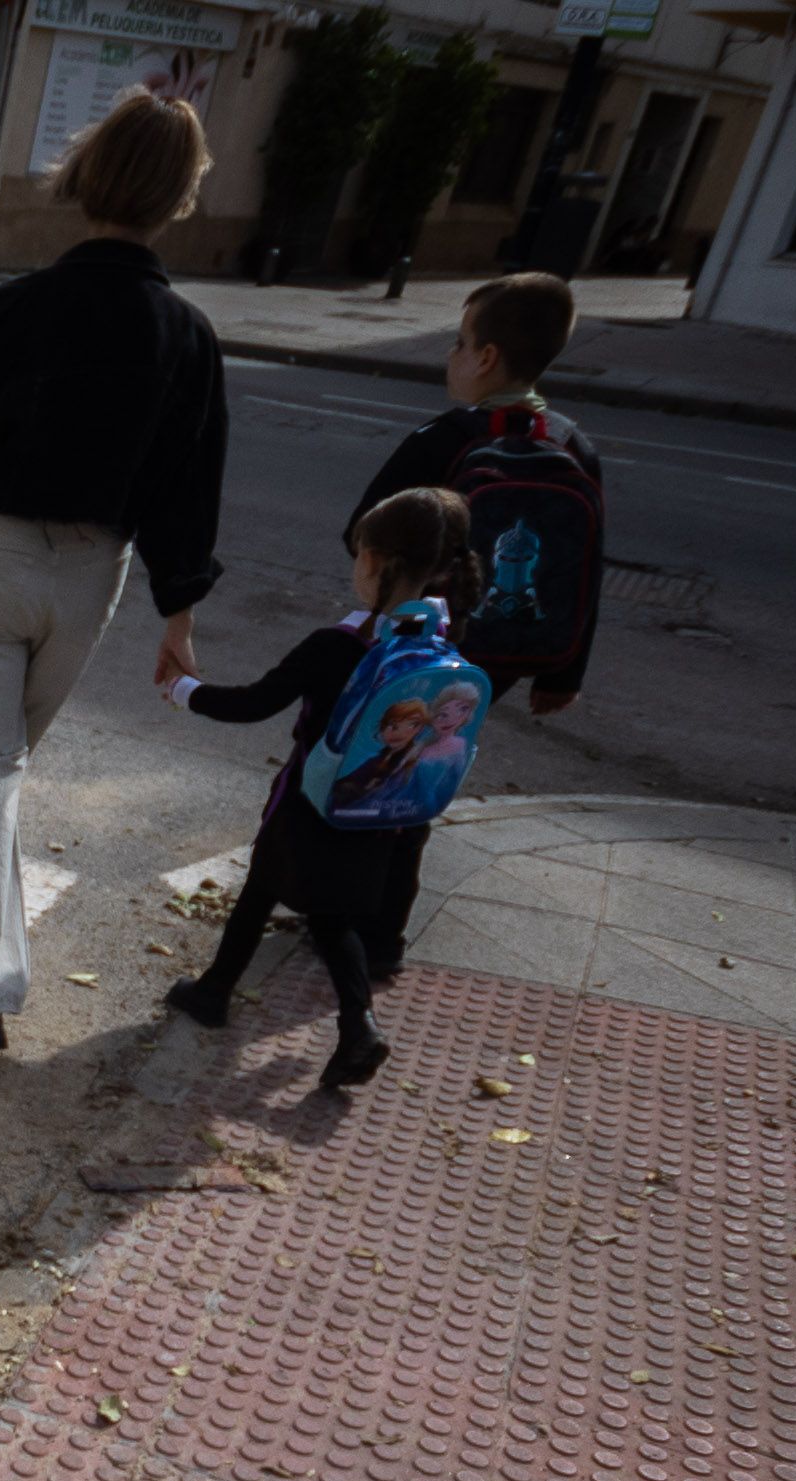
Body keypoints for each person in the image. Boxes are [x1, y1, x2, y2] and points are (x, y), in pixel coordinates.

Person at [0, 89, 228, 1056]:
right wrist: (180, 611)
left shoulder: (15, 310)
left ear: (87, 176)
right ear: (178, 195)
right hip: (91, 577)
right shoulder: (187, 335)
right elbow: (190, 481)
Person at [155, 488, 483, 1090]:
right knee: (329, 915)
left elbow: (253, 704)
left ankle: (227, 994)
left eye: (360, 555)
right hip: (381, 808)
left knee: (266, 886)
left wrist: (183, 691)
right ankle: (347, 1021)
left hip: (312, 798)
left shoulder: (336, 645)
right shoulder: (441, 639)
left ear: (376, 562)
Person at [343, 272, 602, 979]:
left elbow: (362, 530)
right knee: (429, 766)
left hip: (421, 642)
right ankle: (383, 933)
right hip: (508, 653)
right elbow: (586, 565)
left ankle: (362, 929)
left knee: (379, 766)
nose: (452, 356)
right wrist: (564, 672)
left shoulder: (445, 436)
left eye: (459, 343)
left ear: (486, 357)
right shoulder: (574, 441)